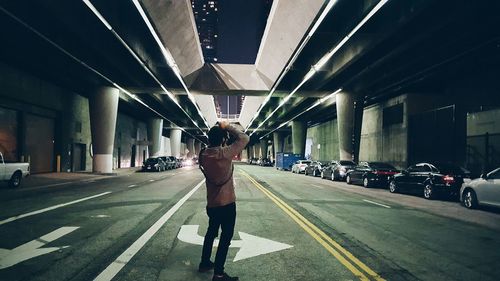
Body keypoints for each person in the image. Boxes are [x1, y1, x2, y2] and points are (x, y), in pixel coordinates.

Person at [198, 121, 249, 281]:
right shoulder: (225, 153)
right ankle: (219, 274)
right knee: (225, 238)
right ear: (222, 140)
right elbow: (244, 138)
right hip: (227, 204)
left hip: (212, 204)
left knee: (211, 232)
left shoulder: (203, 155)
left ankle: (205, 262)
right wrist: (227, 126)